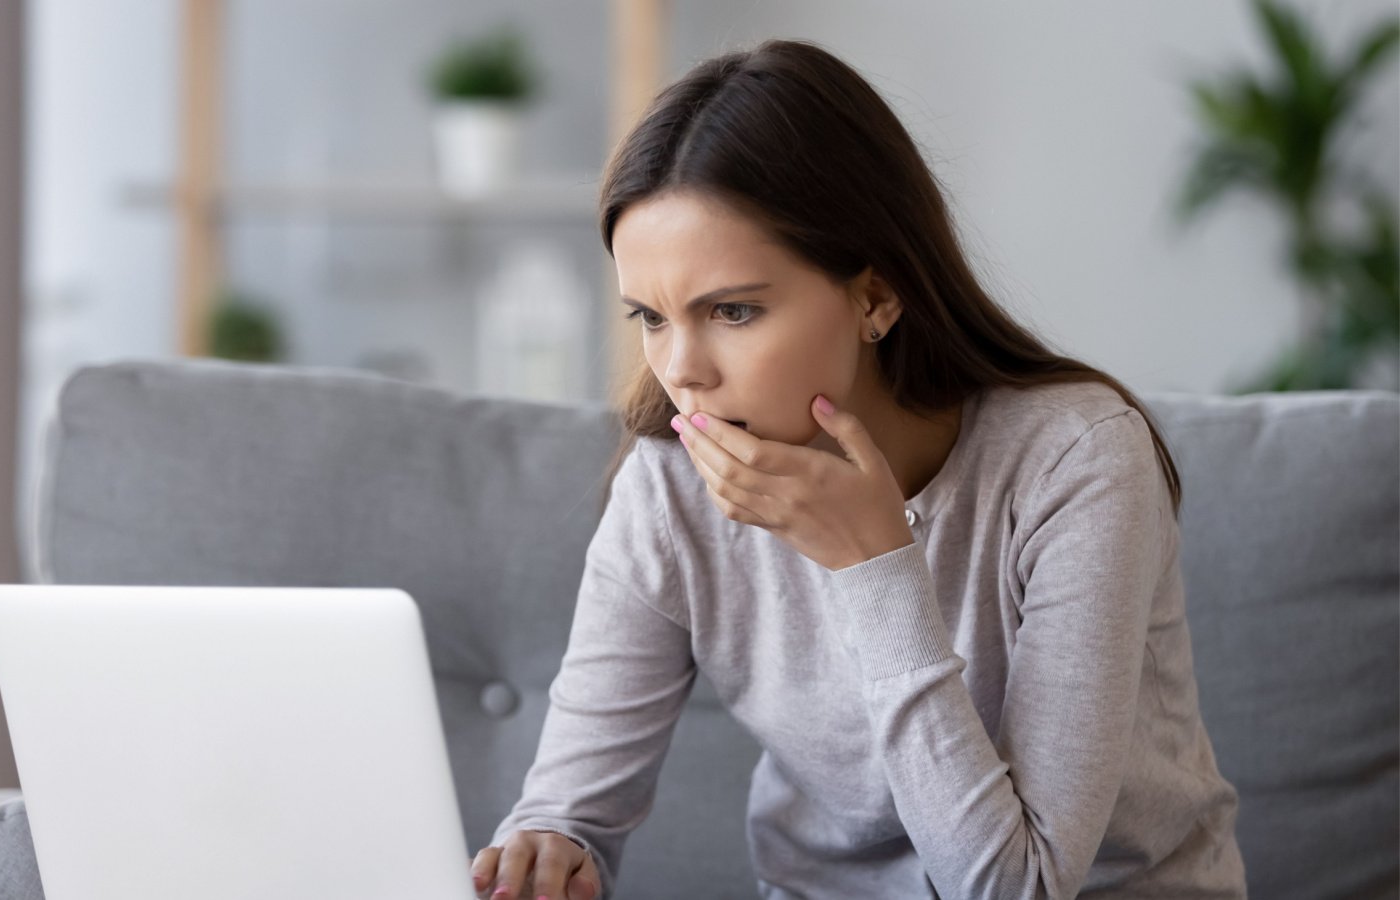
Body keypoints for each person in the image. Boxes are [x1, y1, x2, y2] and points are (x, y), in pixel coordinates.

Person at [469, 38, 1246, 900]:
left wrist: (875, 568)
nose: (681, 369)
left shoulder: (1077, 461)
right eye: (650, 316)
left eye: (733, 310)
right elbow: (570, 811)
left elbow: (1015, 888)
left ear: (875, 296)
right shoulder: (671, 484)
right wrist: (548, 847)